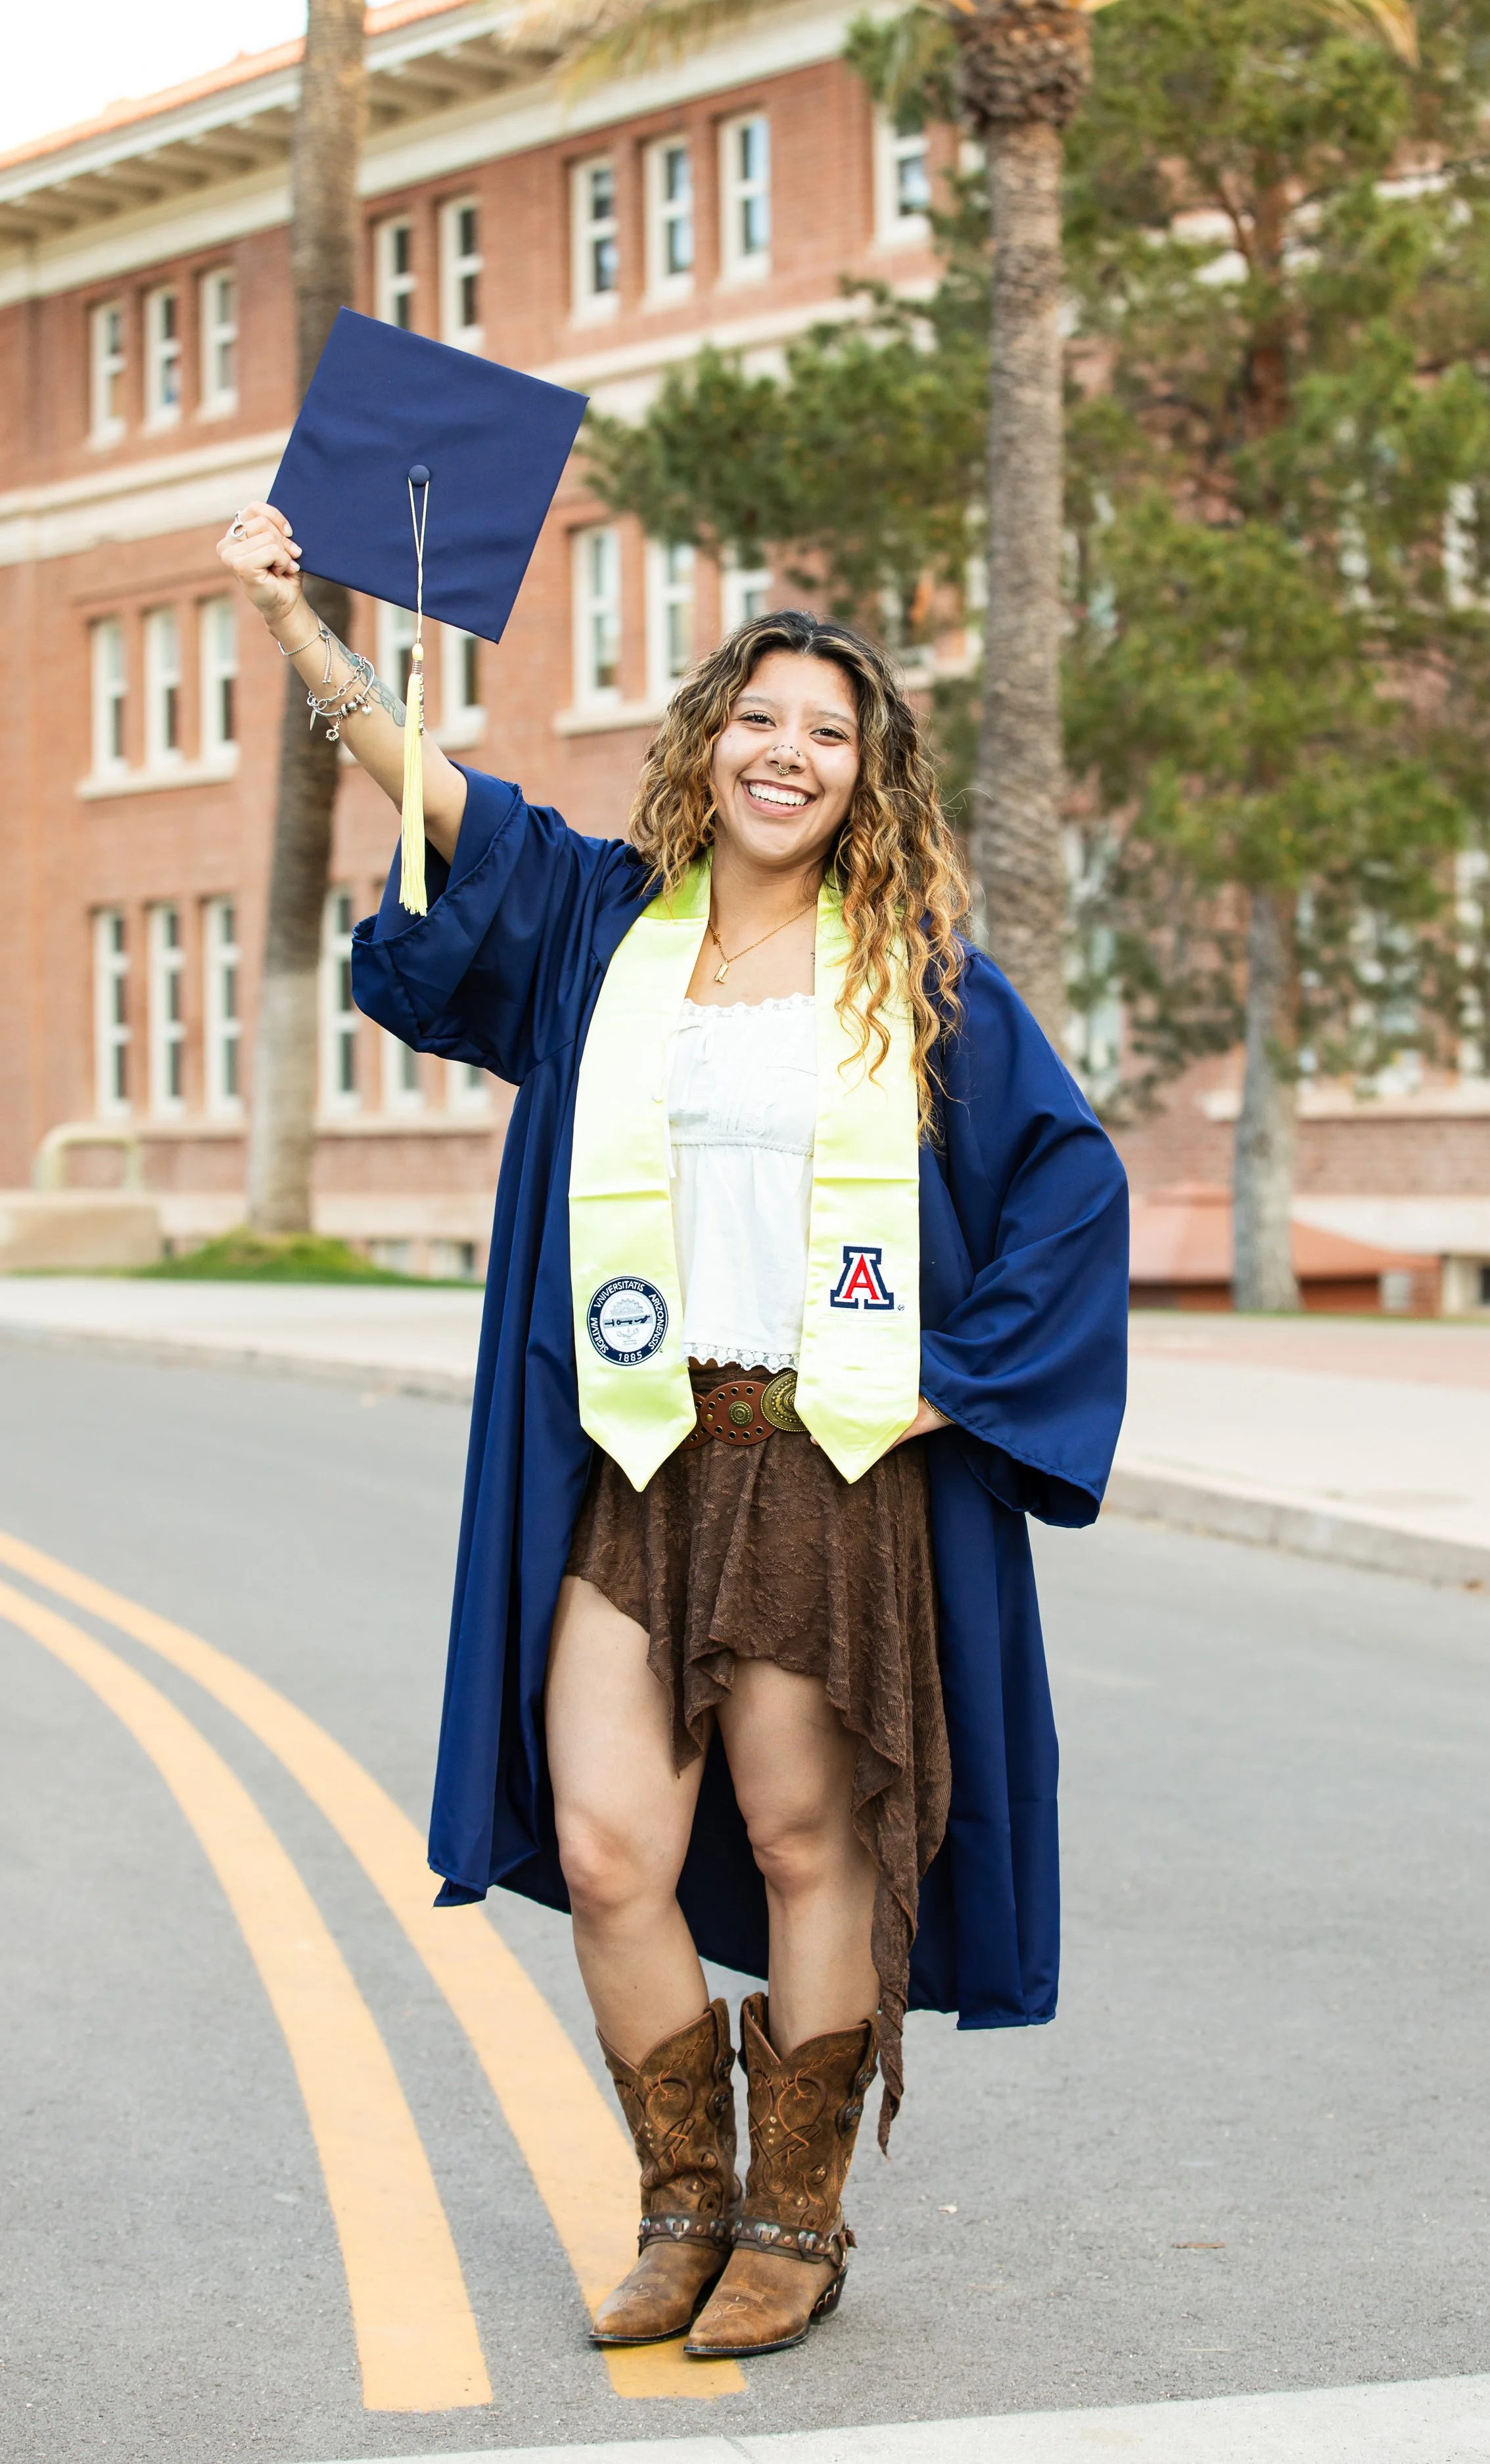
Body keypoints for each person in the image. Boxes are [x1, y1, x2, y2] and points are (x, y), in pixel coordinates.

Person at [218, 501, 1129, 2362]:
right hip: (636, 1454)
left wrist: (959, 1372)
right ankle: (679, 2200)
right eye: (759, 719)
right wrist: (305, 631)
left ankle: (795, 2215)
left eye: (827, 734)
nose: (786, 754)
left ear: (861, 780)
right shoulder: (603, 933)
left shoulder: (918, 981)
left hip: (830, 1462)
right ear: (707, 739)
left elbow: (1067, 1186)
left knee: (808, 1839)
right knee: (611, 1841)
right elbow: (449, 803)